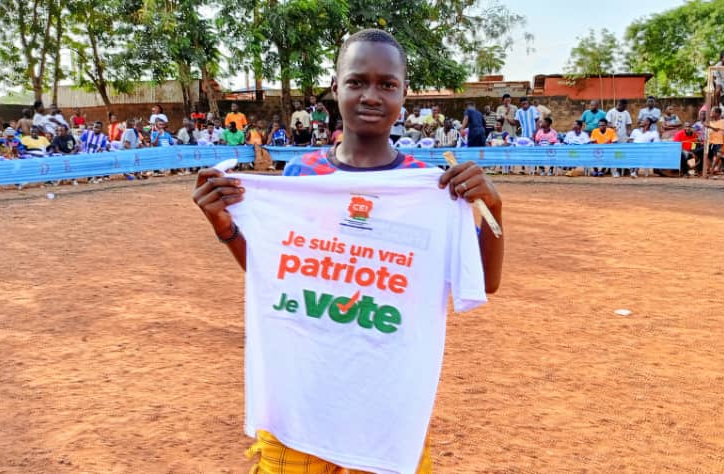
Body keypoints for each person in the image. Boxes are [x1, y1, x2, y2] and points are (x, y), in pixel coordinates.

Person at [191, 30, 503, 474]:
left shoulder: (431, 184)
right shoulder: (302, 175)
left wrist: (494, 208)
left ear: (404, 93)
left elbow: (485, 283)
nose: (370, 95)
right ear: (335, 87)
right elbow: (277, 273)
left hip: (386, 409)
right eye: (356, 82)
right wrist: (223, 225)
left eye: (386, 84)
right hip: (299, 397)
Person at [705, 107, 724, 176]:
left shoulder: (722, 121)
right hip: (710, 142)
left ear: (717, 113)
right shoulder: (710, 122)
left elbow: (717, 129)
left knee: (719, 155)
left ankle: (713, 168)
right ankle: (710, 168)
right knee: (708, 156)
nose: (711, 113)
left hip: (718, 142)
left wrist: (709, 126)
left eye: (712, 112)